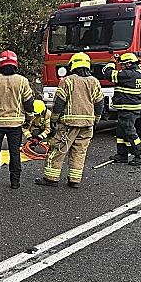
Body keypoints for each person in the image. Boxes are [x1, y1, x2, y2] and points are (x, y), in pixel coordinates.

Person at [35, 52, 104, 188]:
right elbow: (99, 103)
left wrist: (54, 119)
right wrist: (96, 120)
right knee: (79, 152)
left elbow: (59, 102)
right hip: (87, 125)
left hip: (69, 124)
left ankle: (51, 178)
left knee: (58, 149)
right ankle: (74, 180)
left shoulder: (68, 81)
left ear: (73, 65)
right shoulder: (94, 82)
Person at [0, 50, 35, 190]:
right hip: (15, 124)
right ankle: (15, 182)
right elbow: (29, 103)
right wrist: (29, 118)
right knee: (14, 152)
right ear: (15, 64)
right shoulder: (22, 81)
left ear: (0, 64)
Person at [102, 52, 141, 166]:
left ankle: (140, 155)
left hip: (128, 108)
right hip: (128, 107)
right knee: (121, 131)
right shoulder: (139, 72)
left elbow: (108, 74)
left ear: (129, 64)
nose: (120, 66)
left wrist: (112, 62)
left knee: (129, 131)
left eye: (122, 64)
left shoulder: (128, 75)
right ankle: (122, 154)